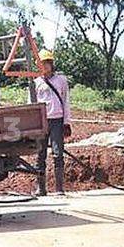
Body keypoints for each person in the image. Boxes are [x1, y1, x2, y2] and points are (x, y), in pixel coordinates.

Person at [33, 49, 72, 196]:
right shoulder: (36, 82)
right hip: (42, 121)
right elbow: (31, 104)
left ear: (51, 64)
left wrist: (66, 122)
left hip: (57, 120)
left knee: (58, 153)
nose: (44, 66)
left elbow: (66, 101)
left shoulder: (61, 80)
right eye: (42, 64)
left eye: (47, 63)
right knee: (40, 154)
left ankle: (59, 188)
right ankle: (41, 188)